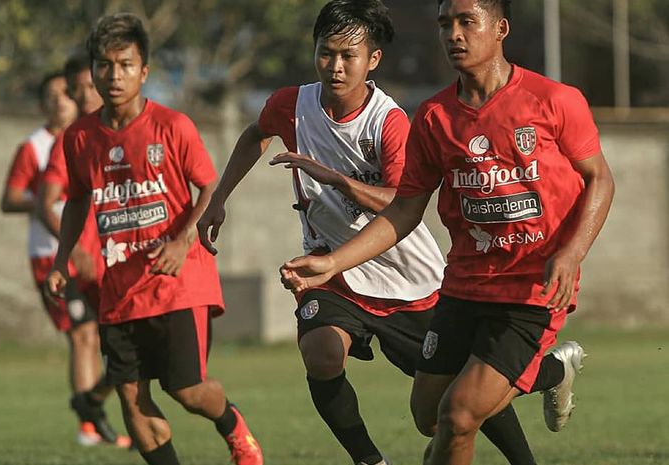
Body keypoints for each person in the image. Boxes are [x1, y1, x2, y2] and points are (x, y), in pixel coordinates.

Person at [199, 2, 568, 464]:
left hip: (406, 277)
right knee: (321, 352)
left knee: (458, 397)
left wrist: (337, 179)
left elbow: (403, 202)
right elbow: (256, 133)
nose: (334, 66)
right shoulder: (291, 105)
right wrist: (219, 199)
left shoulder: (389, 122)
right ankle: (369, 460)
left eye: (347, 56)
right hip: (332, 269)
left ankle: (550, 377)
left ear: (372, 60)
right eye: (325, 53)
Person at [280, 1, 615, 464]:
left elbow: (600, 178)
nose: (453, 34)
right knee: (431, 416)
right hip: (461, 287)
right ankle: (553, 372)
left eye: (465, 22)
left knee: (459, 416)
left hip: (529, 290)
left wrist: (573, 252)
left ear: (500, 29)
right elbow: (404, 210)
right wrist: (331, 264)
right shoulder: (435, 117)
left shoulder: (553, 100)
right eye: (444, 24)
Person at [46, 13, 263, 465]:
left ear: (144, 71)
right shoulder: (80, 137)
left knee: (186, 390)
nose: (114, 75)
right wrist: (61, 259)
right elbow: (77, 200)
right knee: (130, 396)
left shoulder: (172, 126)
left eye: (125, 64)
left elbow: (209, 187)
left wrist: (184, 241)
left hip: (178, 281)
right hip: (118, 288)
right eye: (104, 65)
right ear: (92, 71)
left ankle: (233, 426)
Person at [0, 71, 128, 447]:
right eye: (51, 95)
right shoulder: (35, 147)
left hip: (94, 251)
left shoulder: (87, 139)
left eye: (65, 95)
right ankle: (88, 425)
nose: (60, 101)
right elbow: (10, 198)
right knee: (82, 335)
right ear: (42, 103)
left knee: (103, 335)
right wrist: (45, 199)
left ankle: (96, 412)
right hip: (51, 254)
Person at [38, 53, 130, 447]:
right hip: (81, 261)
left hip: (119, 259)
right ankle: (92, 423)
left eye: (88, 87)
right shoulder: (69, 140)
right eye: (80, 90)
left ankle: (92, 401)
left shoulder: (135, 130)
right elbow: (46, 201)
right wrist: (70, 252)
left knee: (127, 344)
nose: (86, 95)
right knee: (87, 338)